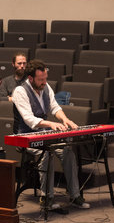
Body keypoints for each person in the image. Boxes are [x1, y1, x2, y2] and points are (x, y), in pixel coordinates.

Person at [12, 59, 90, 213]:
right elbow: (29, 119)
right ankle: (47, 198)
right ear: (30, 78)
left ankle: (74, 195)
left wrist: (65, 119)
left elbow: (55, 107)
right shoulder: (20, 92)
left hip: (43, 133)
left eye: (45, 78)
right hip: (24, 136)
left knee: (67, 151)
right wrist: (50, 124)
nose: (44, 82)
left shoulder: (45, 87)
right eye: (41, 79)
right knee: (46, 153)